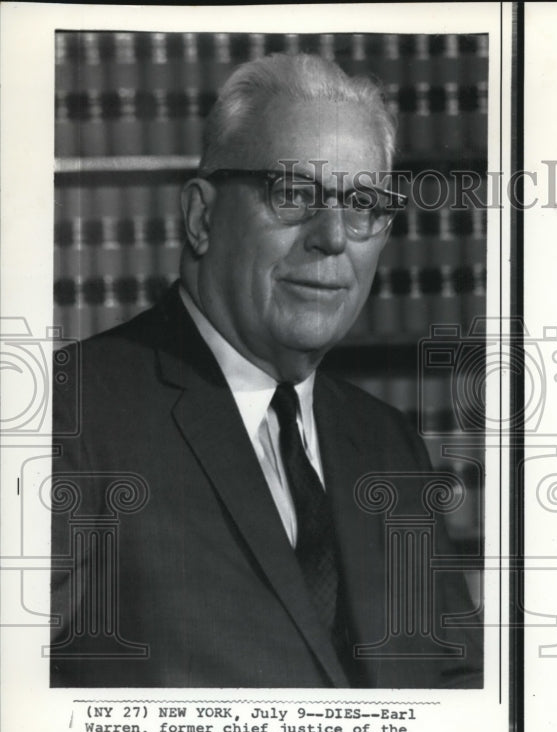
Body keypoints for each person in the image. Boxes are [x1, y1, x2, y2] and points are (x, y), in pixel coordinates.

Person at [50, 52, 482, 688]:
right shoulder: (69, 415)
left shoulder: (389, 445)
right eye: (294, 193)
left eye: (363, 203)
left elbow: (455, 690)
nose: (333, 237)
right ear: (201, 218)